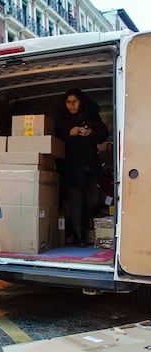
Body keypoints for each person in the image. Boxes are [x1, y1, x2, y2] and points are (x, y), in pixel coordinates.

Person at [54, 88, 109, 246]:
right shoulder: (61, 119)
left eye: (75, 102)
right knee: (76, 201)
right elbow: (53, 138)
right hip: (71, 169)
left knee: (91, 200)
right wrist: (69, 133)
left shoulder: (92, 116)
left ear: (81, 102)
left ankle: (82, 230)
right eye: (68, 102)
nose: (71, 105)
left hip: (90, 168)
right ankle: (79, 237)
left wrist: (90, 132)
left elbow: (103, 134)